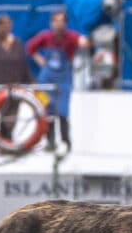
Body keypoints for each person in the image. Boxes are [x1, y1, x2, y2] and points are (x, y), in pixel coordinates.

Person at [26, 10, 89, 151]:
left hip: (63, 80)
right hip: (47, 79)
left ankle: (66, 142)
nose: (58, 24)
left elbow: (82, 41)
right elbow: (30, 47)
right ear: (51, 23)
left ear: (65, 24)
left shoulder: (70, 37)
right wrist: (39, 59)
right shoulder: (45, 36)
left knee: (62, 112)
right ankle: (50, 142)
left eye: (61, 21)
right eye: (55, 21)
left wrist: (85, 41)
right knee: (48, 111)